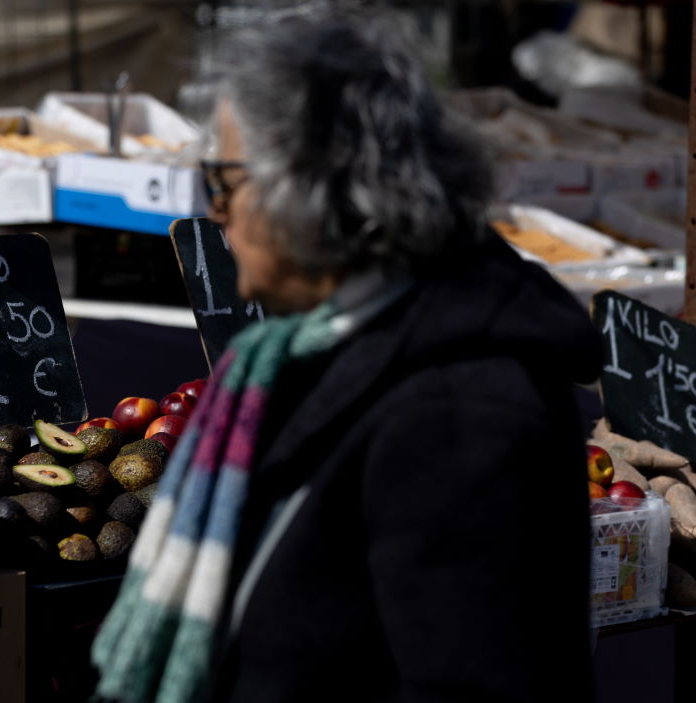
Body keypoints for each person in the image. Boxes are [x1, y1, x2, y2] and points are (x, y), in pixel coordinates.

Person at [92, 7, 599, 703]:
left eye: (223, 183)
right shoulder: (310, 352)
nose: (215, 212)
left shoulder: (461, 410)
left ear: (312, 186)